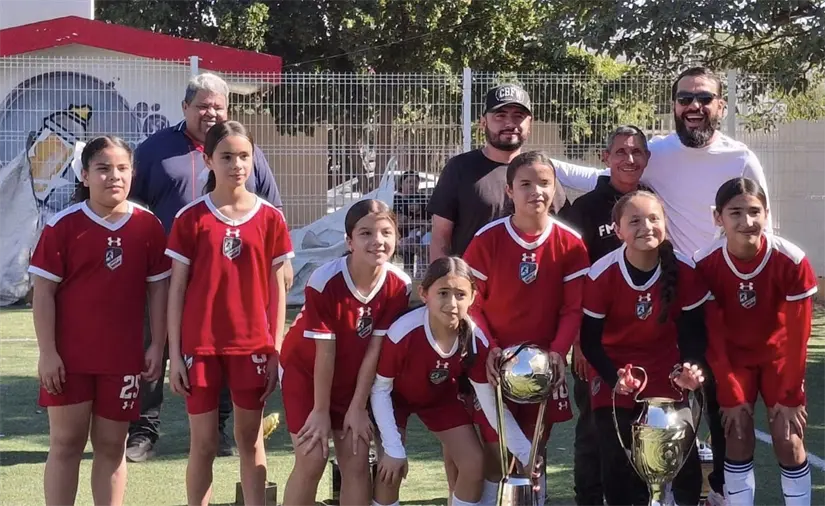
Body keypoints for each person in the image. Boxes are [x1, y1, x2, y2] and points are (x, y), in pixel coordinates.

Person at [552, 67, 770, 505]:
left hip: (703, 296)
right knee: (606, 432)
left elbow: (760, 225)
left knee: (715, 399)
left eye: (704, 98)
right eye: (685, 97)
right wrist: (536, 168)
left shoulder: (741, 157)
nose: (694, 105)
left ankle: (723, 494)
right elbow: (592, 174)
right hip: (630, 319)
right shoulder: (654, 155)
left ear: (720, 106)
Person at [127, 72, 289, 462]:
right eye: (202, 105)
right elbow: (130, 207)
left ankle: (221, 429)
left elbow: (272, 209)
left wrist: (282, 270)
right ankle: (143, 431)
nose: (210, 112)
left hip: (228, 279)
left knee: (224, 349)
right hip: (166, 276)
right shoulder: (154, 150)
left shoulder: (247, 151)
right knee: (155, 349)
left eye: (218, 105)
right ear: (185, 108)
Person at [29, 136, 171, 506]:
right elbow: (42, 293)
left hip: (122, 360)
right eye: (103, 168)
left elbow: (158, 290)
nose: (114, 176)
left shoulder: (148, 226)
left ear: (133, 173)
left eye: (122, 168)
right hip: (70, 360)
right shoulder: (62, 226)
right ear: (85, 175)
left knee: (112, 445)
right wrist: (48, 353)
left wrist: (157, 343)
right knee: (66, 443)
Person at [165, 121, 292, 506]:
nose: (236, 164)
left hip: (252, 346)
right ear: (208, 160)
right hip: (200, 346)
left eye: (244, 156)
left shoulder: (270, 217)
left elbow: (277, 287)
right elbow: (177, 289)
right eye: (226, 156)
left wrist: (275, 347)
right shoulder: (190, 218)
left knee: (250, 441)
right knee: (202, 444)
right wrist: (175, 354)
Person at [462, 151, 590, 506]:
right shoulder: (487, 239)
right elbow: (472, 302)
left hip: (541, 363)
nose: (536, 191)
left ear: (556, 189)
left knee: (537, 441)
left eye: (545, 183)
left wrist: (557, 351)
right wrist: (490, 349)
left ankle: (534, 499)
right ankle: (490, 499)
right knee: (494, 442)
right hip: (493, 356)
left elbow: (573, 306)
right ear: (509, 191)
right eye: (526, 184)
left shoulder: (571, 243)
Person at [580, 190, 709, 506]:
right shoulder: (601, 274)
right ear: (618, 230)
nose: (646, 227)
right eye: (634, 220)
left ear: (665, 223)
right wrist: (615, 379)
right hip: (616, 374)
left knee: (684, 460)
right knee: (618, 458)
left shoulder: (685, 270)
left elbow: (694, 333)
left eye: (654, 218)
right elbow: (590, 342)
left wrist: (691, 367)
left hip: (667, 373)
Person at [279, 199, 412, 506]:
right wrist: (321, 411)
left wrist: (357, 407)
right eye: (365, 233)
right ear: (349, 241)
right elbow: (324, 353)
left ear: (397, 237)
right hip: (307, 373)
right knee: (312, 459)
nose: (377, 241)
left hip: (353, 379)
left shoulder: (399, 285)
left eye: (385, 232)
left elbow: (375, 349)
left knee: (355, 462)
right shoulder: (325, 280)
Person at [694, 178, 817, 506]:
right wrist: (731, 394)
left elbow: (798, 334)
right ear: (717, 217)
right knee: (736, 433)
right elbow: (714, 335)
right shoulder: (703, 262)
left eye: (754, 212)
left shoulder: (791, 259)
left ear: (766, 214)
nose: (746, 222)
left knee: (788, 438)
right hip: (733, 359)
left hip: (779, 357)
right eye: (735, 212)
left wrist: (791, 394)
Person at [557, 125, 651, 506]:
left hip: (644, 335)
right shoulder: (586, 208)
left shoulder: (653, 203)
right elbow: (574, 277)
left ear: (647, 159)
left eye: (637, 152)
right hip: (596, 339)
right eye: (620, 152)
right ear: (605, 158)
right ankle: (590, 499)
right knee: (595, 426)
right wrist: (579, 339)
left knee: (643, 423)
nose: (629, 159)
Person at [370, 257, 489, 506]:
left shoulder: (475, 337)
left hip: (439, 398)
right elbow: (380, 389)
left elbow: (487, 397)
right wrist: (393, 448)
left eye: (460, 294)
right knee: (391, 469)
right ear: (424, 293)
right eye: (443, 293)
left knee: (474, 463)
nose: (452, 303)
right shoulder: (403, 332)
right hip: (393, 401)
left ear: (473, 297)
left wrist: (521, 449)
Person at [427, 84, 534, 261]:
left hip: (527, 283)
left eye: (518, 116)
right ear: (483, 121)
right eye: (500, 116)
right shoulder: (460, 168)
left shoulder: (539, 172)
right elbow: (440, 237)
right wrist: (442, 282)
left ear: (530, 123)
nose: (510, 123)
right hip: (471, 284)